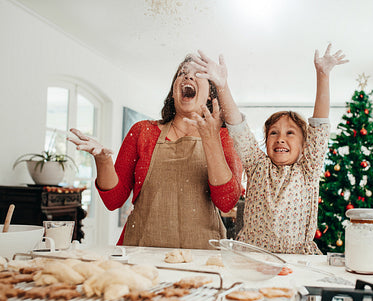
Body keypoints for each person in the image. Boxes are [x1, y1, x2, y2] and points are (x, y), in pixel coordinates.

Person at [67, 55, 243, 249]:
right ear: (173, 92)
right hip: (142, 251)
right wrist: (103, 161)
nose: (188, 78)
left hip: (201, 256)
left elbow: (226, 202)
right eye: (182, 73)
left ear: (210, 94)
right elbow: (113, 200)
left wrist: (210, 140)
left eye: (197, 74)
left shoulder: (224, 137)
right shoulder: (143, 131)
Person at [191, 44, 348, 254]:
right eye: (274, 133)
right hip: (253, 257)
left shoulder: (308, 171)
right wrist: (222, 85)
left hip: (297, 261)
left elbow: (319, 126)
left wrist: (323, 76)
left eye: (290, 133)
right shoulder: (257, 165)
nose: (280, 139)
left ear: (304, 147)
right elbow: (238, 127)